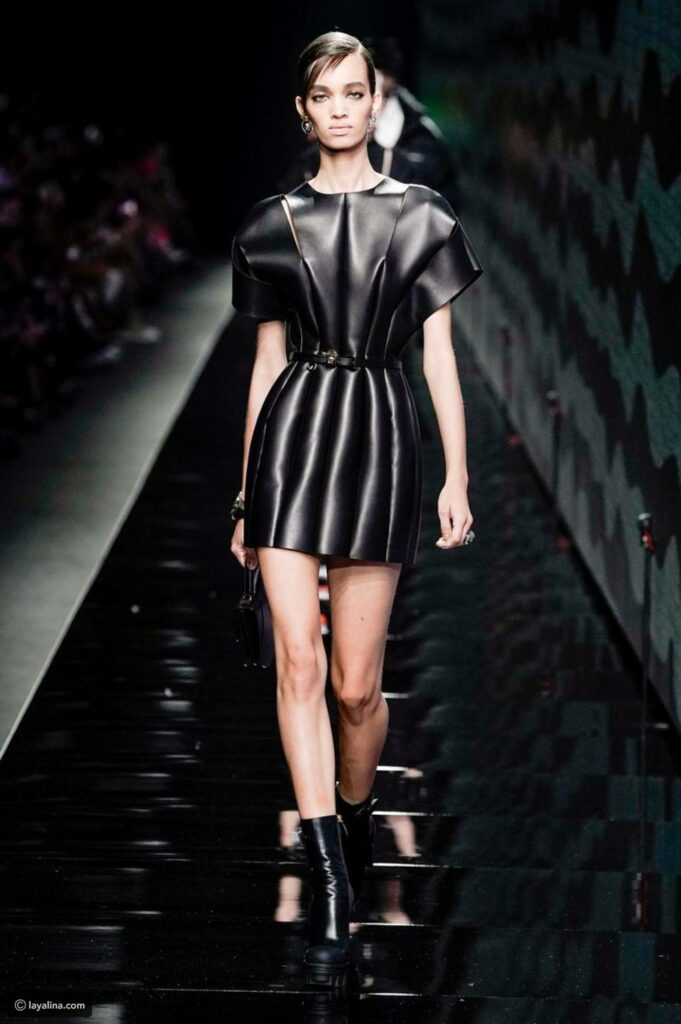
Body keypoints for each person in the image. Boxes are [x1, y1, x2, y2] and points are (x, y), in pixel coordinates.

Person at [229, 30, 482, 987]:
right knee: (295, 661)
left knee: (354, 689)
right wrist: (244, 498)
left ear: (375, 102)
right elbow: (264, 368)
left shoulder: (421, 215)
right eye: (322, 95)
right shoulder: (271, 223)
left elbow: (439, 356)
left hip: (379, 435)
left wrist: (457, 475)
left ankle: (356, 815)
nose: (339, 108)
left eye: (353, 91)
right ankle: (331, 879)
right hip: (293, 441)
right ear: (304, 112)